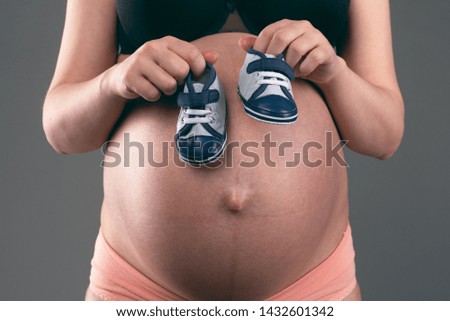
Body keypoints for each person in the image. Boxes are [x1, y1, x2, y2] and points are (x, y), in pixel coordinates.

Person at [43, 0, 404, 300]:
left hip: (312, 289)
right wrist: (112, 83)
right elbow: (63, 130)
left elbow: (384, 136)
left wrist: (333, 73)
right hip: (140, 287)